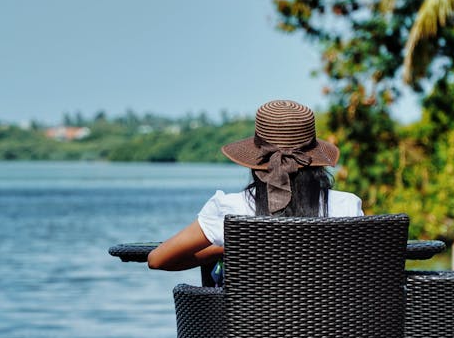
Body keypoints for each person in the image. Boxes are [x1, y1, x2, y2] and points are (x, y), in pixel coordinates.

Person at [147, 99, 363, 275]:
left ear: (257, 163)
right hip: (332, 327)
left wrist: (225, 250)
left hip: (249, 329)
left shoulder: (229, 209)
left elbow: (157, 259)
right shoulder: (346, 206)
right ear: (314, 160)